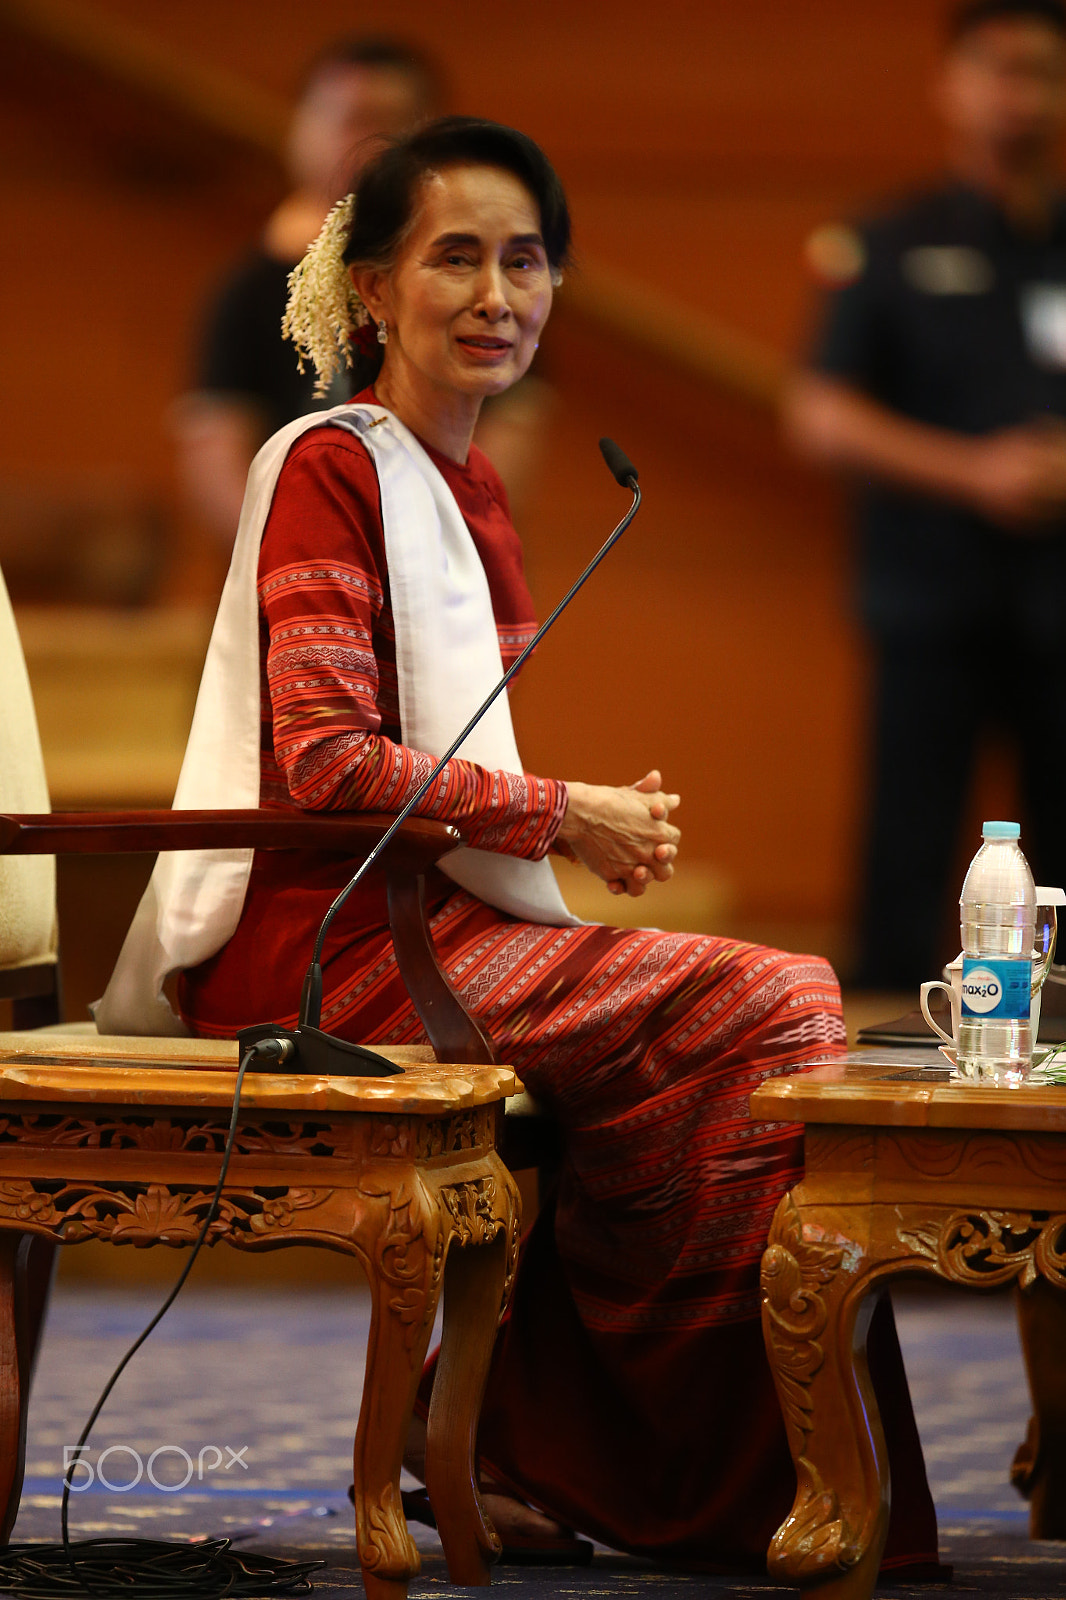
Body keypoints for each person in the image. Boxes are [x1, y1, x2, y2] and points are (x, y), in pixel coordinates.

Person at [98, 117, 938, 1571]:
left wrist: (556, 819)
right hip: (325, 954)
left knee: (752, 1036)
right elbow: (326, 762)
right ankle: (665, 1474)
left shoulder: (470, 485)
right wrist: (569, 811)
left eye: (527, 261)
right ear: (368, 289)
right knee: (782, 1003)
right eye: (456, 257)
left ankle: (537, 1443)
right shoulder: (329, 466)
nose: (498, 294)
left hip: (434, 932)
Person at [786, 0, 1066, 990]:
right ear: (950, 85)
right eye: (996, 69)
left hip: (1057, 608)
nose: (1017, 95)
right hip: (929, 600)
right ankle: (889, 1077)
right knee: (906, 860)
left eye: (1039, 71)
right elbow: (818, 414)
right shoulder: (889, 242)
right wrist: (974, 471)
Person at [173, 36, 439, 547]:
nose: (369, 141)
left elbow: (498, 454)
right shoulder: (252, 287)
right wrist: (295, 559)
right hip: (286, 582)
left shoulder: (469, 287)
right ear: (302, 129)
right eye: (350, 118)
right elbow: (214, 461)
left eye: (390, 119)